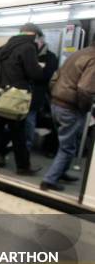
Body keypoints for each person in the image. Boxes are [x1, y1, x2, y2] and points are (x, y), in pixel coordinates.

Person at [0, 23, 45, 175]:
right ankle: (23, 167)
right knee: (19, 134)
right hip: (16, 100)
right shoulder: (29, 48)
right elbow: (34, 74)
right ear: (35, 35)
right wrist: (40, 68)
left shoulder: (3, 48)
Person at [41, 35, 95, 191]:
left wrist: (55, 96)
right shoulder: (93, 58)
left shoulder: (78, 53)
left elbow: (54, 77)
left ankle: (61, 172)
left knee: (70, 142)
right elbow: (85, 89)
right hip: (70, 107)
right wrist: (84, 106)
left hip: (57, 103)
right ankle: (49, 180)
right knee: (68, 146)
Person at [26, 34, 59, 151]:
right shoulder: (28, 54)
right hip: (22, 93)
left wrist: (33, 73)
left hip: (36, 95)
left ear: (41, 43)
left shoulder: (51, 57)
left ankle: (27, 147)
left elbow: (47, 76)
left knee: (29, 121)